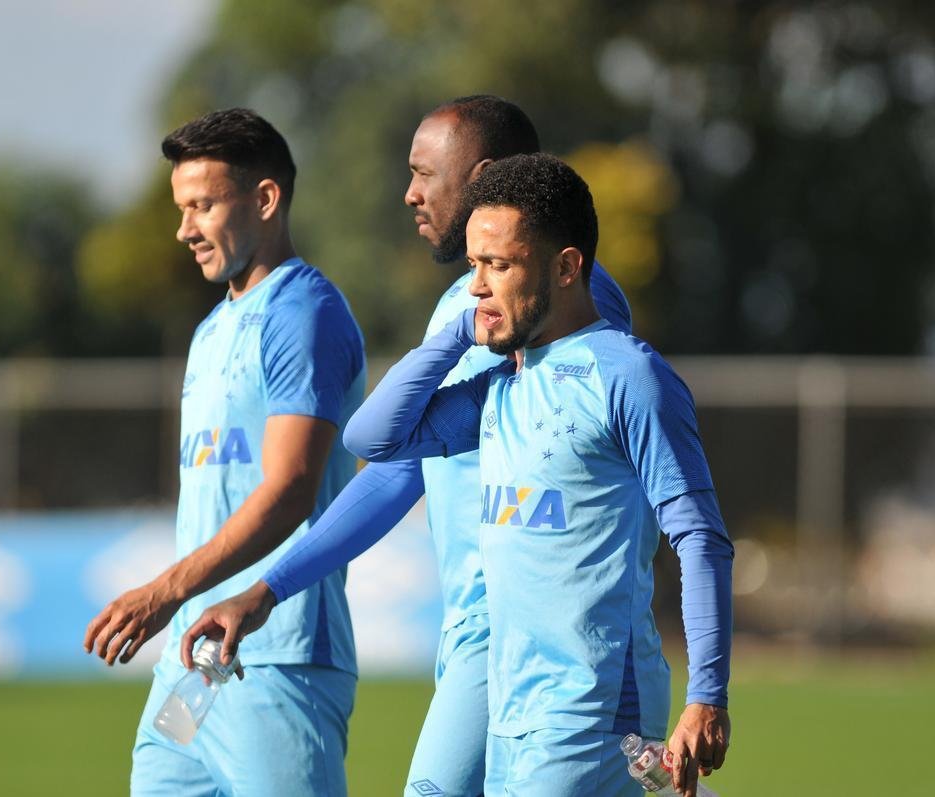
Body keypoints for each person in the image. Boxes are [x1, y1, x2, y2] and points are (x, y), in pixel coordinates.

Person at [181, 96, 631, 797]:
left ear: (483, 176)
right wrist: (268, 588)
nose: (410, 192)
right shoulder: (462, 305)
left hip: (532, 626)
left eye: (425, 173)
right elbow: (394, 473)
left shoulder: (570, 301)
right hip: (474, 624)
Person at [340, 153, 733, 797]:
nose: (477, 286)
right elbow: (372, 437)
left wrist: (707, 696)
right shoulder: (502, 386)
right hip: (512, 715)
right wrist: (456, 337)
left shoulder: (628, 377)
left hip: (591, 713)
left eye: (499, 265)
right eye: (473, 265)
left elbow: (701, 538)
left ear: (566, 267)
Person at [81, 108, 365, 797]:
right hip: (195, 665)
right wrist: (179, 607)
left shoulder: (305, 314)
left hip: (276, 659)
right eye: (182, 208)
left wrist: (164, 589)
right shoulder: (211, 330)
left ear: (265, 199)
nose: (184, 228)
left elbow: (292, 486)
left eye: (203, 205)